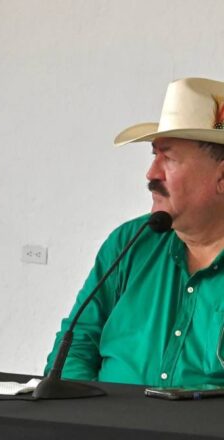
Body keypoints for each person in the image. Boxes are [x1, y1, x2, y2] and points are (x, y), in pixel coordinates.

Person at [45, 77, 224, 386]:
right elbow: (74, 346)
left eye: (167, 158)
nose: (151, 173)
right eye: (153, 156)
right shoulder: (129, 243)